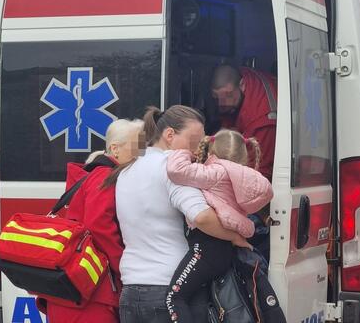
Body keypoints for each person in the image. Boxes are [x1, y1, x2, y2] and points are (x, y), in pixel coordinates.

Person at [115, 105, 251, 323]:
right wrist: (235, 236)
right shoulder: (173, 170)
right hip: (172, 289)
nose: (198, 150)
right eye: (193, 141)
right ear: (170, 135)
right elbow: (201, 216)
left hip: (130, 291)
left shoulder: (127, 170)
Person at [165, 129, 273, 323]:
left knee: (174, 297)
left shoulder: (215, 173)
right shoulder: (245, 180)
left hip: (206, 249)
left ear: (212, 150)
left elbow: (176, 171)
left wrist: (184, 150)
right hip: (222, 250)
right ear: (244, 155)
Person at [45, 119, 144, 323]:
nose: (142, 154)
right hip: (93, 293)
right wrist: (126, 269)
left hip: (77, 289)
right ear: (115, 149)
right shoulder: (106, 177)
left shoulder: (94, 174)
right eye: (138, 146)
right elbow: (99, 227)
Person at [210, 65, 277, 180]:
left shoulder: (263, 118)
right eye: (216, 96)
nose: (222, 103)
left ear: (242, 85)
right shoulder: (237, 78)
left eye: (228, 94)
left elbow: (261, 172)